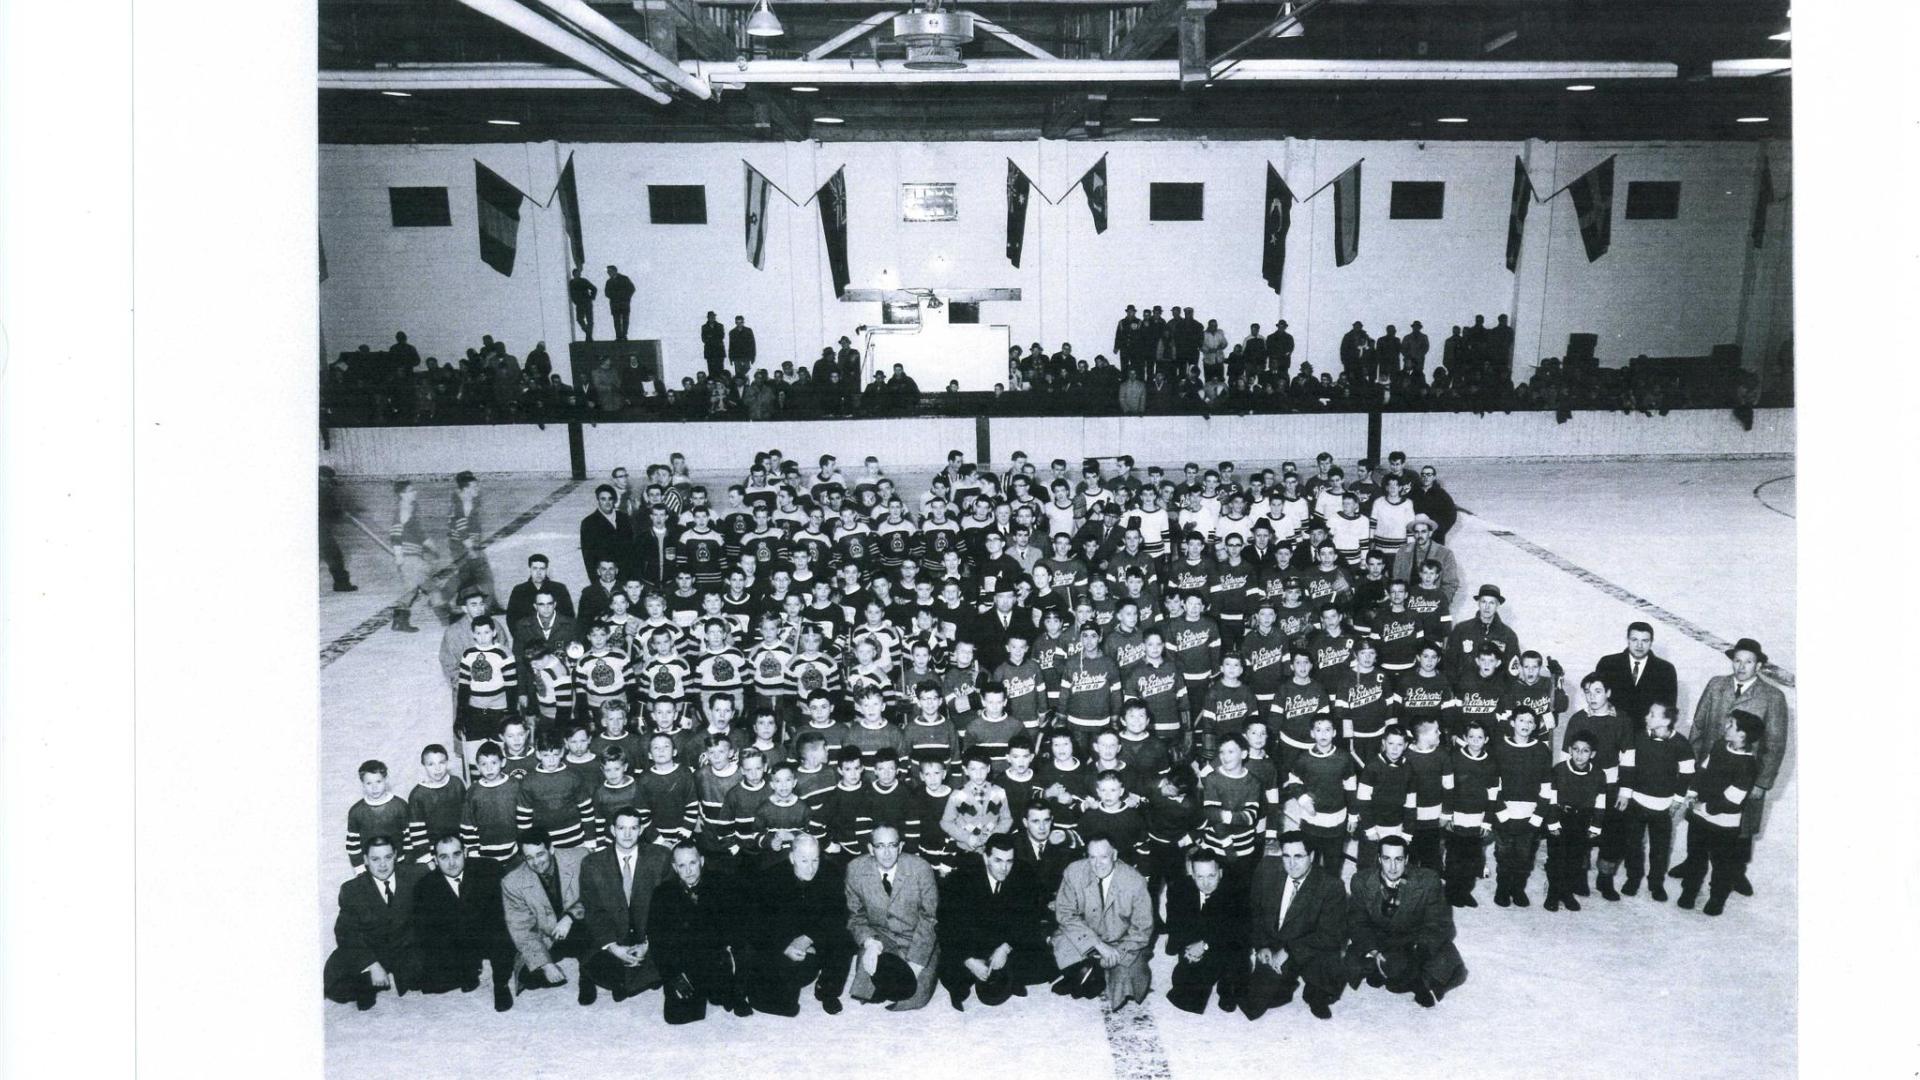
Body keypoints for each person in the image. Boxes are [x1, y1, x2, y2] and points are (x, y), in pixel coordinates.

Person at [1674, 637, 1789, 897]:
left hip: (1743, 775)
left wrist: (1762, 782)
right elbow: (1699, 725)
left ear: (1758, 665)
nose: (1741, 666)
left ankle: (1735, 871)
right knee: (1700, 820)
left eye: (1748, 662)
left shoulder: (1772, 696)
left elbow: (1775, 744)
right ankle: (1693, 863)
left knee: (1739, 827)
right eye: (1737, 660)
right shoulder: (1717, 685)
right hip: (1711, 767)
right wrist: (1690, 764)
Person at [1344, 834, 1467, 1007]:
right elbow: (1357, 922)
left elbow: (1439, 923)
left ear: (1407, 859)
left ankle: (1412, 978)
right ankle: (1388, 968)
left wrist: (1416, 957)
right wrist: (1374, 951)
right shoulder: (1361, 881)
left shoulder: (1428, 880)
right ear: (1379, 859)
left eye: (1398, 859)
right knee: (1347, 964)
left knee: (1447, 967)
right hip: (1380, 938)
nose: (1393, 867)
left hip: (1414, 940)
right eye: (1386, 859)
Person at [937, 833, 1057, 1009]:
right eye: (998, 861)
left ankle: (1004, 974)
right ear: (985, 858)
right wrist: (968, 960)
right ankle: (1000, 976)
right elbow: (947, 923)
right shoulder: (962, 878)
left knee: (1045, 965)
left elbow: (1030, 918)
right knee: (949, 968)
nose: (1004, 868)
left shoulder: (1023, 873)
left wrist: (1006, 947)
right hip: (974, 942)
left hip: (1005, 939)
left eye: (1009, 861)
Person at [1242, 831, 1347, 1020]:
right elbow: (1255, 912)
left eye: (1298, 856)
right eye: (1286, 856)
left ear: (1312, 856)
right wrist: (1262, 945)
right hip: (1275, 940)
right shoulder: (1266, 869)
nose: (1291, 863)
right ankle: (1285, 985)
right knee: (1255, 1004)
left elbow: (1331, 935)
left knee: (1323, 989)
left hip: (1310, 945)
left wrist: (1289, 950)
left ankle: (1315, 993)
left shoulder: (1331, 886)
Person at [750, 834, 856, 1016]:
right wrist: (785, 946)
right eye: (804, 861)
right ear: (792, 858)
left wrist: (809, 939)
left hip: (815, 939)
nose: (811, 867)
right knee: (784, 1002)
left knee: (845, 938)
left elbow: (838, 914)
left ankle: (828, 990)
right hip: (787, 944)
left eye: (815, 860)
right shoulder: (771, 878)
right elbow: (762, 923)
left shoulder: (830, 872)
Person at [647, 842, 753, 1022]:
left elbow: (739, 929)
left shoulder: (722, 884)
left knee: (722, 996)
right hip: (683, 964)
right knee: (678, 1017)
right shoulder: (663, 894)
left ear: (702, 861)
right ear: (674, 867)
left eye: (693, 863)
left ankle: (730, 991)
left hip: (716, 958)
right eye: (682, 865)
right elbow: (657, 941)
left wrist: (737, 984)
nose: (688, 871)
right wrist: (673, 976)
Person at [577, 806, 673, 1003]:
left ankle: (629, 977)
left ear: (641, 830)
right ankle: (624, 977)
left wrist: (647, 944)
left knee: (674, 953)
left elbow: (667, 910)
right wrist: (613, 947)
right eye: (622, 828)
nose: (628, 834)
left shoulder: (661, 857)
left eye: (633, 828)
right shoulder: (592, 863)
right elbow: (593, 911)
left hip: (647, 934)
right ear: (612, 830)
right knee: (590, 952)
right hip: (613, 935)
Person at [411, 831, 516, 1012]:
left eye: (456, 854)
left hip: (488, 929)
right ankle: (468, 970)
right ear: (435, 860)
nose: (452, 863)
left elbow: (503, 913)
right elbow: (427, 931)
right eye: (444, 857)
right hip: (456, 936)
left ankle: (501, 985)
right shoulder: (425, 887)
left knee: (501, 934)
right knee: (428, 982)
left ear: (466, 853)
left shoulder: (489, 869)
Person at [1675, 710, 1764, 916]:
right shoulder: (1717, 747)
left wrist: (1704, 808)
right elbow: (1702, 772)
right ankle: (1689, 891)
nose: (1726, 727)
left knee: (1722, 864)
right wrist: (1692, 793)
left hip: (1724, 825)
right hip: (1699, 819)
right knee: (1695, 856)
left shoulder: (1748, 765)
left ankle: (1717, 898)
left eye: (1731, 725)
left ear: (1743, 735)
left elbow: (1731, 801)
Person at [1050, 837, 1155, 1010]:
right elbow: (1065, 914)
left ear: (1114, 855)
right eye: (1092, 857)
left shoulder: (1135, 881)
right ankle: (1088, 972)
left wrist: (1115, 954)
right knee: (1061, 946)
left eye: (1103, 857)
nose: (1097, 864)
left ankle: (1092, 972)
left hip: (1122, 941)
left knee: (1127, 983)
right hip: (1085, 936)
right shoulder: (1074, 871)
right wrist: (1098, 945)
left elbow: (1142, 929)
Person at [845, 823, 942, 1010]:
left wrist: (915, 964)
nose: (887, 853)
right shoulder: (856, 869)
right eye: (880, 846)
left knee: (913, 997)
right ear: (870, 849)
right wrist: (869, 943)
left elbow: (931, 918)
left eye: (892, 845)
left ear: (901, 846)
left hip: (917, 939)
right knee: (867, 992)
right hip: (881, 938)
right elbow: (855, 916)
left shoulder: (921, 868)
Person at [323, 835, 422, 1010]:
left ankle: (406, 975)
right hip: (372, 948)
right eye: (375, 859)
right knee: (334, 984)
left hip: (405, 947)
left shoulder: (414, 877)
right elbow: (345, 933)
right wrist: (371, 964)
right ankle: (366, 983)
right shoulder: (352, 889)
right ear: (366, 860)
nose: (382, 865)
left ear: (396, 856)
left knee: (442, 971)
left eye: (388, 857)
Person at [500, 828, 596, 1003]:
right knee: (527, 978)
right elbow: (521, 929)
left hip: (580, 926)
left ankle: (587, 976)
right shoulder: (511, 882)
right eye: (529, 858)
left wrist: (570, 917)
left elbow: (595, 897)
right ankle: (554, 965)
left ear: (551, 849)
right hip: (546, 936)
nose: (536, 862)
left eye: (540, 854)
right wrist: (546, 965)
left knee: (588, 932)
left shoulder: (581, 857)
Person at [1162, 850, 1248, 1014]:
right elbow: (1175, 926)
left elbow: (1239, 932)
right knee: (1186, 996)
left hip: (1224, 946)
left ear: (1220, 873)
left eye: (1211, 876)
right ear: (1192, 875)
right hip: (1194, 945)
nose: (1206, 883)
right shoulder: (1178, 889)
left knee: (1237, 965)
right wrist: (1189, 948)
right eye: (1200, 877)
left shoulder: (1236, 890)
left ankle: (1226, 987)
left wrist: (1205, 944)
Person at [1594, 621, 1679, 722]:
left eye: (1645, 641)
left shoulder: (1666, 670)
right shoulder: (1607, 664)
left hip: (1647, 733)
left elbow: (1668, 709)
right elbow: (1597, 700)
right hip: (1612, 730)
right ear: (1628, 640)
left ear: (1651, 642)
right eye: (1634, 640)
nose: (1639, 645)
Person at [507, 552, 575, 625]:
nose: (538, 572)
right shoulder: (519, 591)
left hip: (556, 634)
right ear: (530, 569)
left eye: (542, 569)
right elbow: (512, 619)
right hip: (527, 634)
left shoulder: (559, 589)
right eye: (535, 568)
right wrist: (522, 635)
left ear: (546, 570)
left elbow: (569, 615)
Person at [318, 466, 357, 592]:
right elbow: (327, 509)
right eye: (328, 480)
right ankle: (341, 584)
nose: (330, 484)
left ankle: (341, 583)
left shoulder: (322, 487)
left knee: (332, 556)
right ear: (322, 478)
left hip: (321, 529)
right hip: (320, 530)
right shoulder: (321, 490)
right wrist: (341, 514)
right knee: (334, 556)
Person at [1412, 466, 1459, 543]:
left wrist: (1440, 530)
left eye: (1429, 475)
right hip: (1417, 536)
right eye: (1423, 475)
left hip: (1436, 536)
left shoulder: (1442, 494)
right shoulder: (1414, 493)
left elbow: (1452, 514)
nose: (1425, 477)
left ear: (1434, 477)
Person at [604, 265, 635, 340]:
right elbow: (606, 293)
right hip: (615, 304)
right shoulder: (608, 282)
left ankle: (624, 335)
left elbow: (632, 289)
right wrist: (613, 296)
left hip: (624, 303)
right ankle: (618, 336)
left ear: (615, 271)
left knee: (625, 320)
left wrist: (626, 297)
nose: (608, 273)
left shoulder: (624, 278)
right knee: (616, 320)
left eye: (610, 271)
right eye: (608, 271)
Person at [569, 267, 598, 340]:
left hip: (587, 302)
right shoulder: (572, 283)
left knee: (589, 320)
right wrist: (574, 301)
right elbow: (571, 293)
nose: (577, 275)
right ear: (573, 274)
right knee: (579, 319)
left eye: (578, 274)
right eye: (575, 274)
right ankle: (588, 333)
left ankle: (589, 336)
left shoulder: (584, 281)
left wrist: (592, 297)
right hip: (579, 304)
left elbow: (594, 288)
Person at [700, 312, 726, 379]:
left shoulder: (720, 326)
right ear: (708, 318)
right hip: (709, 353)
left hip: (719, 352)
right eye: (710, 317)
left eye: (713, 316)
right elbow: (704, 339)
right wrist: (714, 337)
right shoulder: (704, 327)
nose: (712, 318)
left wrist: (710, 336)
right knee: (711, 372)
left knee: (720, 371)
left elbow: (721, 336)